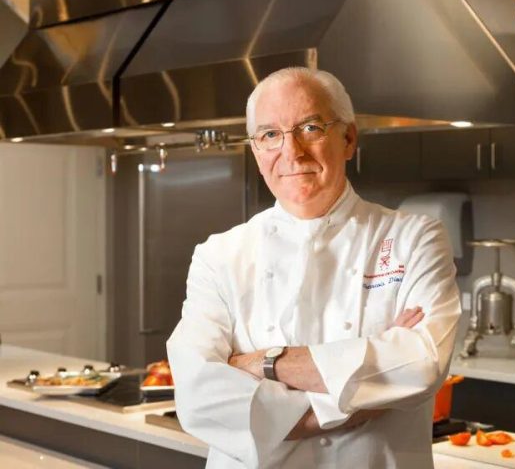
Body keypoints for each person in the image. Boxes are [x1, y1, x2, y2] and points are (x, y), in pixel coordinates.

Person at [167, 67, 461, 468]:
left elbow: (421, 362)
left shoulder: (414, 238)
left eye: (309, 127)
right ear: (255, 149)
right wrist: (361, 396)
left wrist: (260, 363)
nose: (291, 152)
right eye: (270, 134)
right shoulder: (219, 256)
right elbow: (199, 394)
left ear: (349, 138)